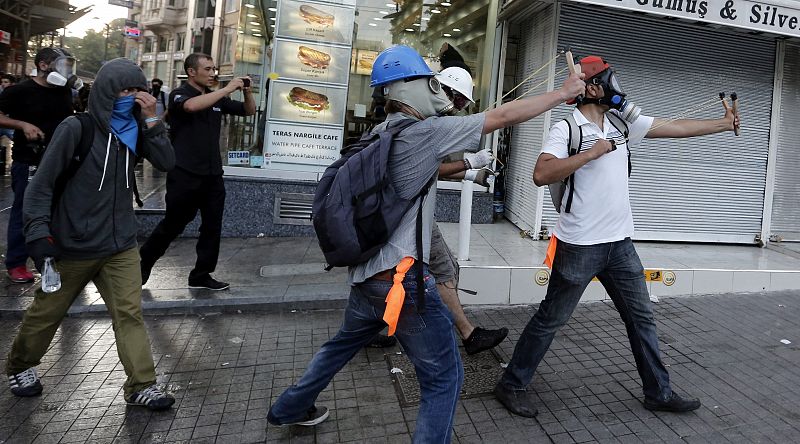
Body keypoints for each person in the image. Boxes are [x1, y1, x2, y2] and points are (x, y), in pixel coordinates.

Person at [266, 45, 585, 442]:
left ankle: (289, 408)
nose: (438, 89)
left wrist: (467, 162)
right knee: (443, 375)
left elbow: (424, 171)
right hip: (400, 280)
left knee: (341, 345)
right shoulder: (424, 133)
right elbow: (501, 116)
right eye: (429, 81)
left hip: (367, 277)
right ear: (409, 87)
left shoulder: (381, 133)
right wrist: (563, 92)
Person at [493, 55, 740, 418]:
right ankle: (511, 384)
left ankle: (658, 391)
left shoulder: (621, 124)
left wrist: (721, 124)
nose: (618, 87)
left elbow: (674, 127)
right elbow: (541, 174)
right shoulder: (568, 129)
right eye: (611, 80)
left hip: (620, 246)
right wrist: (590, 153)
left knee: (641, 319)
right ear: (593, 88)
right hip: (579, 246)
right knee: (550, 320)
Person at [6, 58, 176, 410]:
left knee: (130, 314)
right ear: (105, 93)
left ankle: (142, 385)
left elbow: (167, 162)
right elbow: (42, 186)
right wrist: (38, 235)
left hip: (121, 245)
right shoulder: (77, 128)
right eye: (124, 91)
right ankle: (20, 365)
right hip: (73, 245)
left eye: (138, 90)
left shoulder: (137, 128)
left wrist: (152, 121)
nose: (132, 97)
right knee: (47, 312)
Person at [139, 53, 256, 290]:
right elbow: (191, 107)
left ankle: (201, 275)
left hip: (212, 175)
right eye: (208, 69)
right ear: (192, 72)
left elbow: (249, 111)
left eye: (214, 69)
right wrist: (226, 89)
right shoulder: (180, 94)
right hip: (185, 173)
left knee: (212, 226)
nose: (213, 73)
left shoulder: (215, 98)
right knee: (174, 223)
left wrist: (246, 91)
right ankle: (142, 266)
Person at [0, 48, 75, 284]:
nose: (67, 71)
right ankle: (16, 263)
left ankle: (53, 261)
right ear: (44, 66)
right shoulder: (19, 90)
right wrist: (22, 124)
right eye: (62, 65)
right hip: (29, 161)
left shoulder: (64, 92)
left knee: (60, 211)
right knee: (25, 212)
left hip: (60, 161)